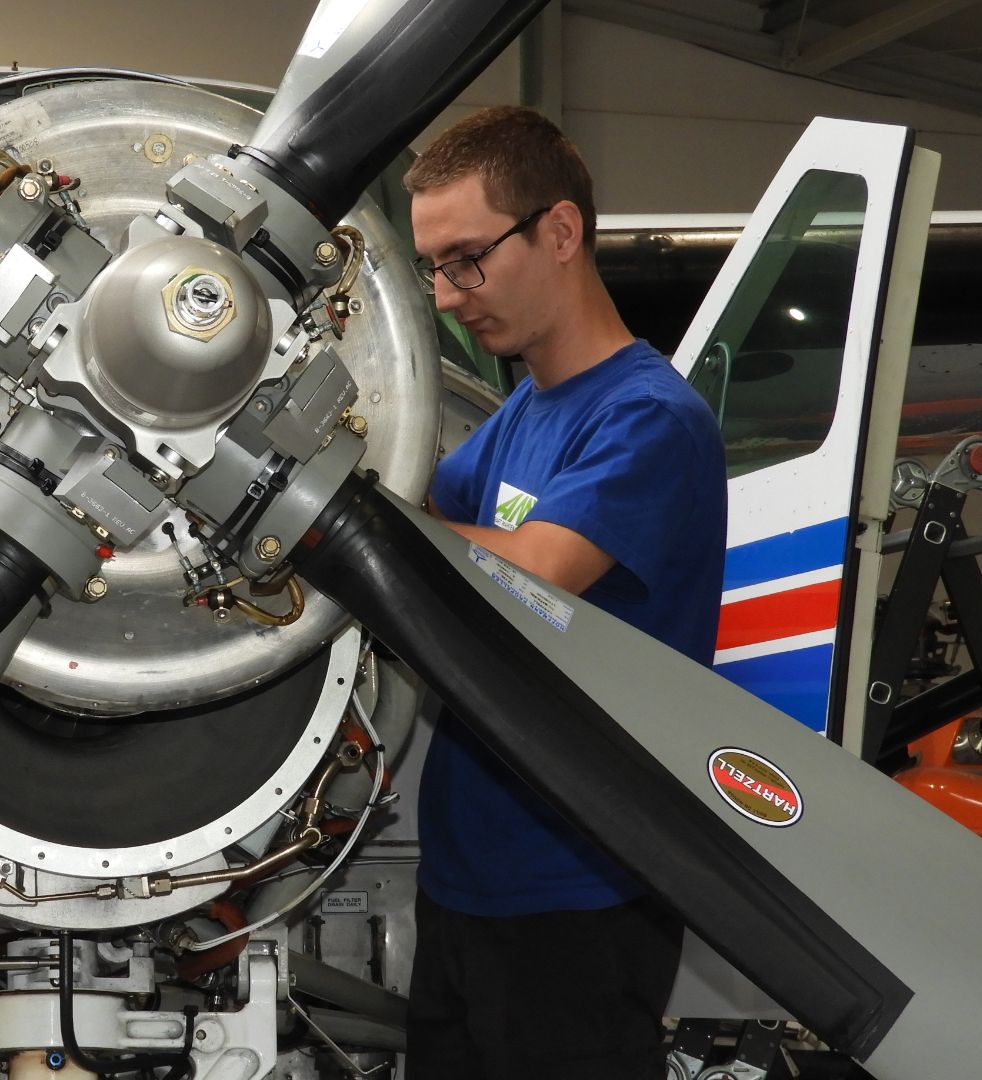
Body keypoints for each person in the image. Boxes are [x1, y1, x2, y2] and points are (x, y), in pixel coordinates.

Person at [402, 106, 727, 1078]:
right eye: (433, 269)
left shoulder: (650, 420)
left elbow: (528, 574)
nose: (450, 296)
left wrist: (334, 512)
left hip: (579, 892)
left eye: (467, 259)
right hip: (467, 883)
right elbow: (420, 544)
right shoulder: (516, 419)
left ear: (559, 231)